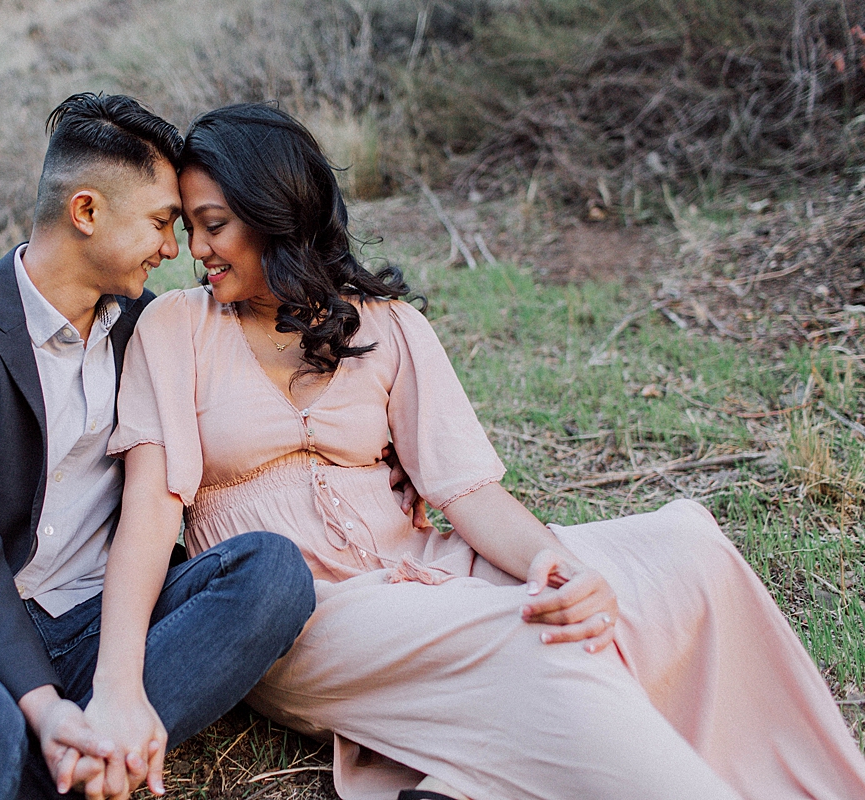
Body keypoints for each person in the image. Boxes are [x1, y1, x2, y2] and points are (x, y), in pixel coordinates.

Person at [100, 102, 865, 800]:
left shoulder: (385, 326)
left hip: (424, 564)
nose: (195, 248)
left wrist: (546, 561)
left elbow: (466, 492)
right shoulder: (175, 329)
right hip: (312, 617)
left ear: (275, 215)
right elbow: (147, 513)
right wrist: (119, 685)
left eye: (214, 224)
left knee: (683, 549)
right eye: (191, 225)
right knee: (540, 642)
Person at [0, 93, 320, 800]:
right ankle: (38, 745)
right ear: (87, 211)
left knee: (273, 574)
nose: (176, 249)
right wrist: (41, 704)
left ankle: (64, 748)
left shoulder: (149, 328)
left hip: (103, 626)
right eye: (163, 222)